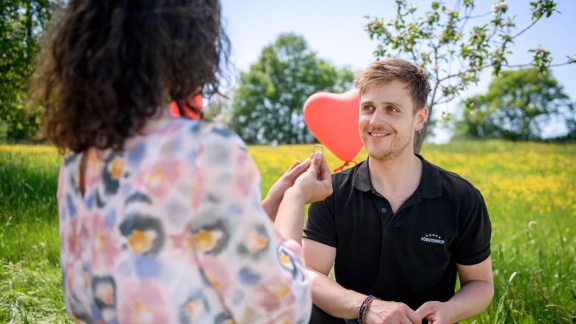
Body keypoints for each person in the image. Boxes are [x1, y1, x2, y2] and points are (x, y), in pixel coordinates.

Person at [31, 0, 332, 323]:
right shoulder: (204, 150)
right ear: (189, 41)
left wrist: (271, 203)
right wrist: (296, 198)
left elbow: (174, 249)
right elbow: (282, 307)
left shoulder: (77, 163)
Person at [302, 58, 493, 324]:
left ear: (419, 119)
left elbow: (481, 283)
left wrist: (450, 311)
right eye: (368, 108)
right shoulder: (331, 191)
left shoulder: (461, 197)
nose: (375, 121)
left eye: (392, 109)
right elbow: (309, 273)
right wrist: (367, 307)